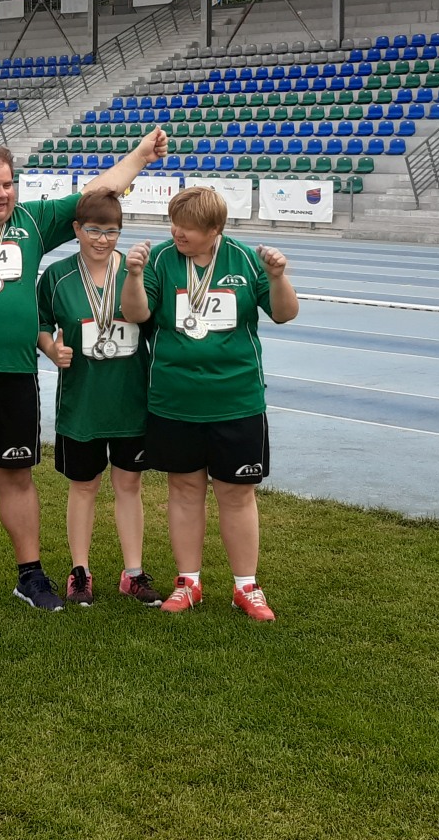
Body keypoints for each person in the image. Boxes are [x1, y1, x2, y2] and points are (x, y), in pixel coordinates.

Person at [0, 129, 167, 615]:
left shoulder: (33, 222)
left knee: (17, 476)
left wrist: (141, 156)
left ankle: (31, 575)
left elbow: (95, 194)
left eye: (8, 184)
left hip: (14, 374)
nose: (3, 194)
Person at [120, 184, 298, 623]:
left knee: (237, 494)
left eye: (188, 228)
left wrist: (278, 277)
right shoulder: (162, 260)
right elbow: (136, 315)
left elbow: (284, 313)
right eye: (174, 224)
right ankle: (188, 582)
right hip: (174, 400)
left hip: (236, 399)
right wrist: (134, 275)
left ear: (215, 229)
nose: (177, 233)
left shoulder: (244, 259)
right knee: (184, 491)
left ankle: (246, 587)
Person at [36, 187, 161, 607]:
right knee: (84, 485)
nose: (102, 239)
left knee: (129, 484)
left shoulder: (138, 273)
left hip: (131, 400)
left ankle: (133, 572)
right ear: (76, 229)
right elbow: (39, 323)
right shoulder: (57, 276)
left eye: (111, 231)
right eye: (93, 230)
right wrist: (51, 348)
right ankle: (80, 572)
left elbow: (155, 324)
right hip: (82, 403)